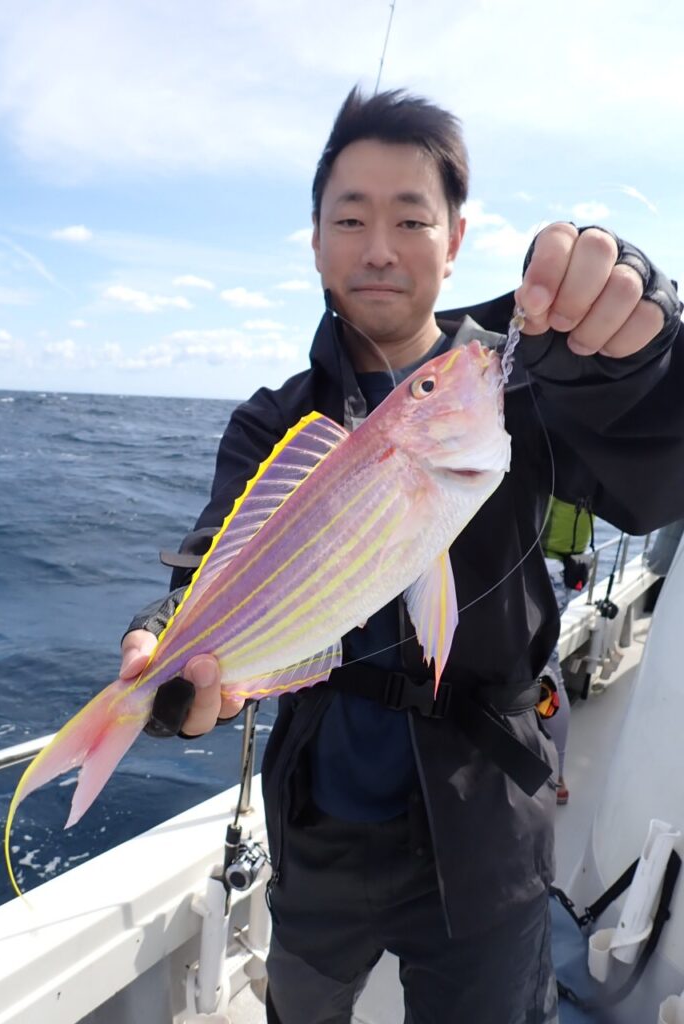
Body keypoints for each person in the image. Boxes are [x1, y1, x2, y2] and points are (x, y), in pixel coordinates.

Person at [120, 89, 684, 1024]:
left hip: (490, 824)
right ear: (315, 242)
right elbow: (208, 562)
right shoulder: (274, 420)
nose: (379, 247)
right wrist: (164, 647)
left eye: (412, 219)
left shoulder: (517, 385)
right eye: (350, 219)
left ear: (454, 239)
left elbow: (655, 478)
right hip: (321, 822)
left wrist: (642, 360)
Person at [539, 497, 595, 805]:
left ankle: (555, 775)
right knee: (546, 669)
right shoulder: (586, 468)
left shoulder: (554, 468)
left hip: (542, 570)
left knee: (545, 672)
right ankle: (556, 773)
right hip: (564, 569)